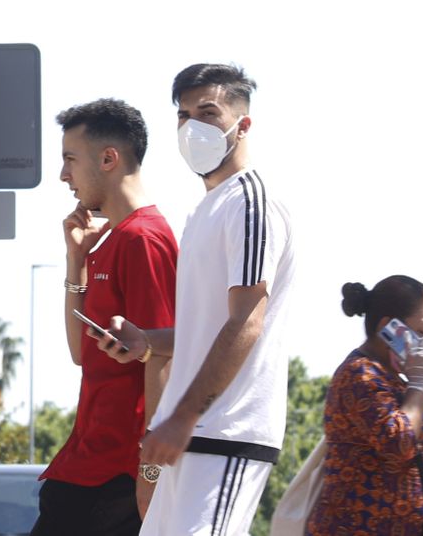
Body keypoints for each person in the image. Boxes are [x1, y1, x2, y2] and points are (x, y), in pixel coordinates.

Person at [91, 63, 296, 536]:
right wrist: (147, 343)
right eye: (183, 115)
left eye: (208, 111)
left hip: (225, 430)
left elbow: (247, 321)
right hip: (191, 433)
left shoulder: (250, 202)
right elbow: (206, 332)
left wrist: (184, 417)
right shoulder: (209, 207)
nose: (192, 126)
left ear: (242, 124)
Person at [33, 99, 179, 536]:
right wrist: (75, 259)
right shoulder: (114, 240)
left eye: (69, 160)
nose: (63, 175)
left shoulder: (144, 239)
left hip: (118, 478)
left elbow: (163, 355)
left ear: (109, 159)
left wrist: (151, 477)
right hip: (86, 465)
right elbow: (81, 353)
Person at [306, 277, 423, 536]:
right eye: (422, 332)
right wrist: (420, 386)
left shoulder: (394, 381)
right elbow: (399, 441)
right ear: (389, 328)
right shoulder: (360, 375)